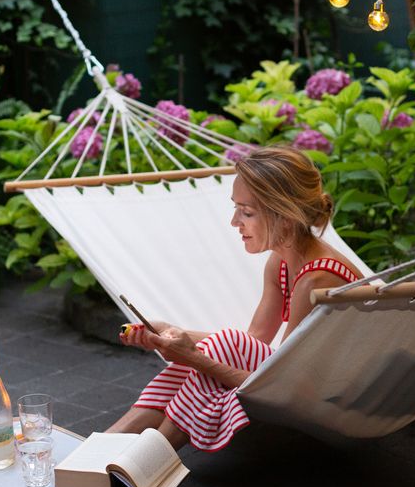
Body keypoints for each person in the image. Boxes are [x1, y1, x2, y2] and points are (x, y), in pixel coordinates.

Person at [107, 145, 361, 451]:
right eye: (235, 208)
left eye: (247, 212)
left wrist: (194, 357)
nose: (234, 222)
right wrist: (170, 333)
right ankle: (115, 445)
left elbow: (285, 386)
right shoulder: (281, 261)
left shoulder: (317, 280)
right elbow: (253, 341)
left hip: (327, 399)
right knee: (225, 344)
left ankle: (143, 456)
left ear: (285, 217)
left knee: (219, 348)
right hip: (294, 380)